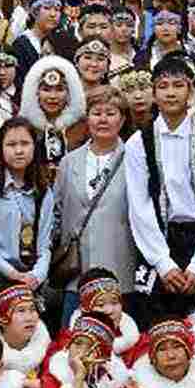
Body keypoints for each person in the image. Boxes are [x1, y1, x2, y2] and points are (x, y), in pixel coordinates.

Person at [124, 56, 195, 325]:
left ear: (191, 91)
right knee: (157, 326)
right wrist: (162, 263)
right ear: (153, 93)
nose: (171, 93)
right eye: (163, 86)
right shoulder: (138, 142)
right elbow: (139, 206)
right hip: (157, 241)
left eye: (178, 85)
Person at [52, 86, 141, 308]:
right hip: (77, 274)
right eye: (96, 113)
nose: (103, 120)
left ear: (122, 120)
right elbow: (57, 213)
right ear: (87, 118)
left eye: (110, 113)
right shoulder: (68, 162)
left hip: (121, 271)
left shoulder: (135, 160)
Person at [0, 118, 58, 299]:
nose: (18, 151)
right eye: (11, 144)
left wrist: (36, 276)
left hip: (31, 279)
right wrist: (12, 274)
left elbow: (45, 244)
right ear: (0, 149)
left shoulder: (43, 190)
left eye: (25, 144)